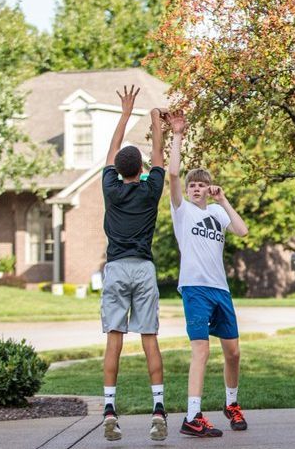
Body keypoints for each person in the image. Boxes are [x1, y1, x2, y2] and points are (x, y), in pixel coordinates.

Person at [166, 111, 250, 438]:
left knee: (234, 352)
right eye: (193, 185)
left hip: (220, 289)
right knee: (201, 349)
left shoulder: (216, 211)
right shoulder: (181, 211)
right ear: (187, 190)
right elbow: (172, 175)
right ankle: (192, 416)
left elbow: (242, 230)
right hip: (195, 289)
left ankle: (231, 405)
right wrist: (177, 135)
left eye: (201, 185)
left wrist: (224, 199)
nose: (196, 189)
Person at [100, 85, 168, 442]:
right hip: (143, 268)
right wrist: (157, 120)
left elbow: (112, 154)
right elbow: (159, 155)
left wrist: (125, 113)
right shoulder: (150, 189)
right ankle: (158, 410)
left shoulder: (110, 189)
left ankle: (110, 410)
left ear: (119, 170)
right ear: (141, 170)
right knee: (149, 338)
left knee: (115, 339)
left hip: (115, 269)